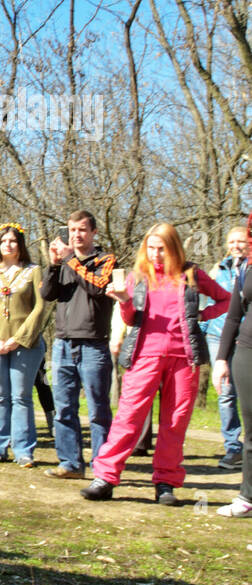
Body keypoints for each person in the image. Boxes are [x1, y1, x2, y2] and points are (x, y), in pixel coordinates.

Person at [81, 224, 228, 505]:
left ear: (174, 248)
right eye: (151, 248)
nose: (156, 254)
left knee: (175, 422)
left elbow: (227, 299)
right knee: (129, 417)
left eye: (162, 248)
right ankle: (106, 478)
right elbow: (128, 318)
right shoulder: (137, 276)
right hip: (144, 356)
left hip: (184, 360)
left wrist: (203, 315)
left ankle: (165, 483)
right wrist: (124, 302)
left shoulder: (192, 274)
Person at [43, 211, 116, 478]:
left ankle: (102, 466)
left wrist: (69, 259)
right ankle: (70, 463)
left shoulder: (105, 260)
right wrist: (53, 265)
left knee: (98, 409)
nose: (76, 235)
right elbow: (47, 294)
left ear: (94, 232)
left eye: (82, 230)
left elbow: (97, 287)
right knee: (63, 407)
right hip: (63, 342)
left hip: (93, 344)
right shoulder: (63, 263)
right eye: (72, 230)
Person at [0, 224, 49, 465]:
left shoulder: (34, 271)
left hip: (25, 345)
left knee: (21, 396)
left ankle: (24, 450)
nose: (8, 244)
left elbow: (40, 307)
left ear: (20, 245)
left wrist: (18, 338)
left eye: (13, 241)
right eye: (4, 240)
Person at [213, 215, 252, 517]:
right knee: (250, 433)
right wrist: (221, 358)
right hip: (246, 353)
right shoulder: (246, 267)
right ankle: (247, 497)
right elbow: (232, 315)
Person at [204, 226, 247, 470]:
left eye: (240, 241)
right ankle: (233, 448)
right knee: (226, 394)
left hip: (246, 339)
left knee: (247, 394)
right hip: (218, 338)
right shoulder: (218, 270)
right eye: (231, 241)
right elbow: (210, 302)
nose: (235, 246)